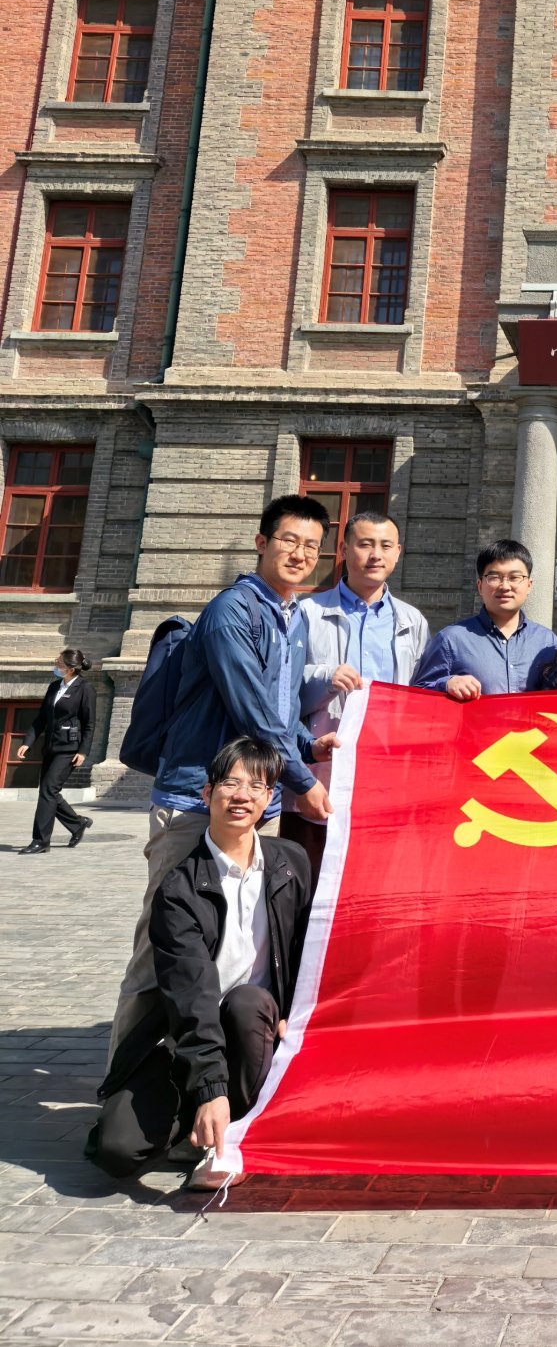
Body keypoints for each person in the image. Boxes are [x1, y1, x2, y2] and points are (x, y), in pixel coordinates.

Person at [106, 496, 336, 1066]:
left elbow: (279, 710)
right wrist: (304, 779)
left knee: (239, 942)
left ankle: (213, 1076)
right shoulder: (232, 610)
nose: (300, 554)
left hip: (257, 803)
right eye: (289, 541)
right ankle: (123, 1080)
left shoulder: (290, 617)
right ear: (261, 543)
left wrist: (307, 745)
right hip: (196, 800)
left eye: (311, 546)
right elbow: (250, 708)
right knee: (162, 943)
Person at [89, 738, 313, 1178]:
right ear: (207, 793)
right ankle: (199, 1111)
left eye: (256, 785)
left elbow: (308, 950)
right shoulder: (180, 889)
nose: (242, 795)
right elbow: (190, 996)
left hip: (255, 1031)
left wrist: (298, 1012)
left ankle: (235, 1134)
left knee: (248, 1002)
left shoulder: (291, 863)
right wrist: (209, 1087)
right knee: (118, 1152)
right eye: (230, 783)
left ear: (269, 799)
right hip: (189, 1035)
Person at [291, 510, 430, 880]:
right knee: (310, 883)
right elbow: (281, 691)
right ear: (343, 549)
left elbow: (421, 693)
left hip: (387, 774)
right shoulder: (308, 613)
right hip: (321, 770)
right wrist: (326, 677)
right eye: (365, 544)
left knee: (377, 879)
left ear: (398, 552)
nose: (375, 555)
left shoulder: (412, 621)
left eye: (385, 546)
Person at [413, 539, 557, 699]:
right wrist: (447, 683)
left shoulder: (547, 641)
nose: (505, 586)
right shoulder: (451, 639)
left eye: (514, 577)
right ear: (480, 585)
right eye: (494, 577)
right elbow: (419, 692)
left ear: (529, 585)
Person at [16, 648, 96, 854]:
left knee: (48, 790)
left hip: (69, 749)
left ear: (71, 669)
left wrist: (83, 751)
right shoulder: (54, 687)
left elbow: (89, 723)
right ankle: (77, 823)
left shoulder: (85, 688)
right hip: (51, 746)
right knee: (48, 791)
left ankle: (41, 841)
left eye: (59, 663)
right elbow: (41, 718)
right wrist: (27, 742)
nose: (55, 666)